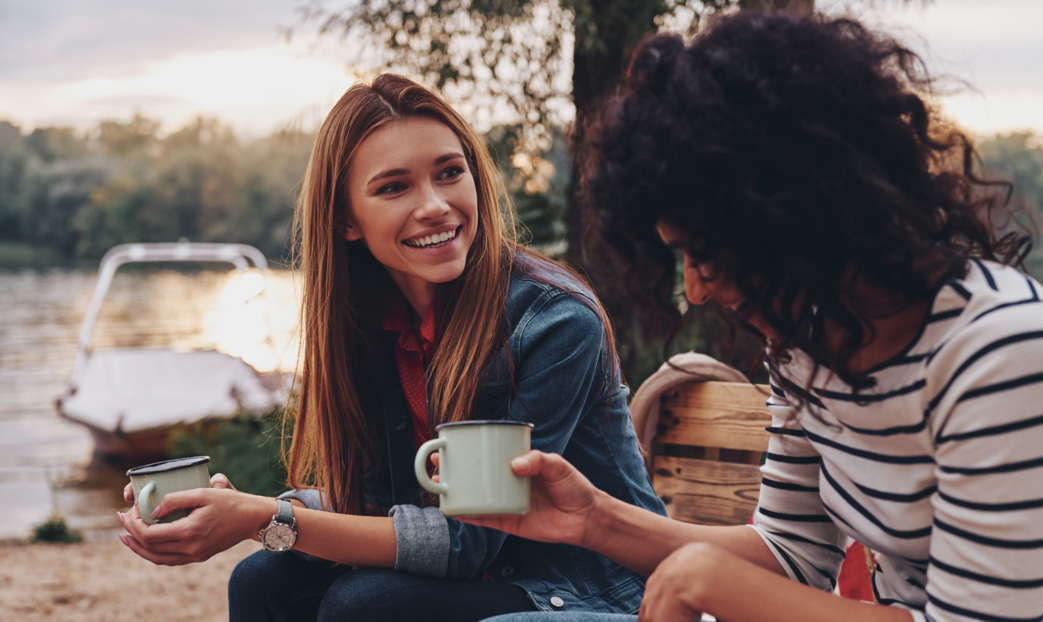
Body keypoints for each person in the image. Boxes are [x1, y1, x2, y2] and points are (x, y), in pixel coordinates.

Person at [465, 10, 1043, 622]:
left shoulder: (1006, 355)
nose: (696, 288)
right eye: (680, 256)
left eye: (706, 253)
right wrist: (594, 521)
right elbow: (790, 557)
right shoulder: (807, 346)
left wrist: (703, 580)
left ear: (801, 212)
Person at [115, 74, 665, 621]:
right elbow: (378, 508)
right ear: (346, 220)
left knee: (369, 606)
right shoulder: (371, 321)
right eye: (394, 187)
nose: (435, 206)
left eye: (451, 173)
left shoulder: (554, 321)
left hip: (593, 588)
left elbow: (468, 541)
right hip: (492, 575)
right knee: (262, 581)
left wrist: (262, 518)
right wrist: (239, 508)